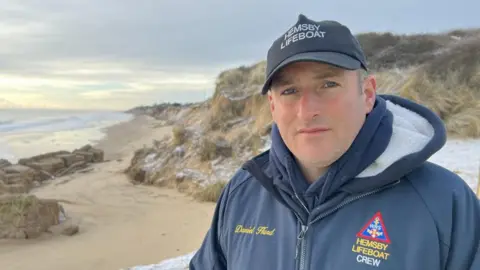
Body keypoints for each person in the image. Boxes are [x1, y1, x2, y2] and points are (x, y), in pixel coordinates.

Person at [189, 14, 480, 270]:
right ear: (273, 106)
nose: (307, 110)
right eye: (289, 90)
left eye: (328, 85)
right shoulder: (243, 193)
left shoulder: (442, 202)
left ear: (367, 94)